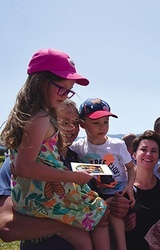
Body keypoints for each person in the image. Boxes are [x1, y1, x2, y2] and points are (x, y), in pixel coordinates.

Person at [0, 48, 109, 249]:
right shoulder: (40, 118)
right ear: (40, 81)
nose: (65, 95)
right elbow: (25, 167)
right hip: (45, 195)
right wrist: (74, 177)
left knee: (83, 240)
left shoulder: (33, 115)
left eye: (70, 90)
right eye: (62, 88)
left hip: (35, 197)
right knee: (99, 212)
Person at [71, 97, 136, 250]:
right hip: (96, 194)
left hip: (118, 190)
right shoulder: (78, 147)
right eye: (96, 123)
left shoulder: (117, 145)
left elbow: (131, 168)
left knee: (114, 215)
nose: (102, 127)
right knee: (100, 219)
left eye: (106, 122)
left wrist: (129, 186)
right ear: (82, 124)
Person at [124, 130, 160, 250]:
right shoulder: (124, 188)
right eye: (143, 149)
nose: (148, 154)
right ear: (133, 154)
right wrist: (122, 226)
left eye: (154, 151)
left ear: (158, 156)